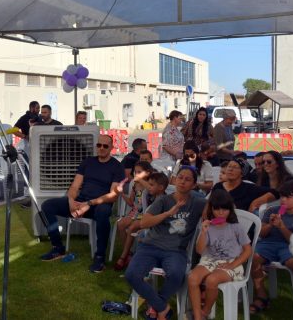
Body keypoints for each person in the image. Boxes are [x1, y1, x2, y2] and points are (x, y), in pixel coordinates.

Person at [125, 167, 207, 320]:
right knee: (131, 275)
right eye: (180, 177)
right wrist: (168, 213)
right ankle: (163, 308)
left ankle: (156, 306)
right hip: (150, 246)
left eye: (187, 179)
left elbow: (222, 208)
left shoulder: (198, 203)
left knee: (176, 274)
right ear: (175, 179)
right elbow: (144, 223)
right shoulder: (164, 200)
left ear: (194, 184)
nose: (182, 181)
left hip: (175, 250)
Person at [39, 134, 125, 273]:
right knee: (47, 206)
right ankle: (57, 248)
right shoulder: (88, 162)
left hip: (99, 204)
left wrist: (89, 203)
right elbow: (74, 186)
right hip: (80, 202)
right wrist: (71, 201)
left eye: (105, 146)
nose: (101, 148)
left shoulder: (117, 167)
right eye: (99, 145)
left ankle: (100, 257)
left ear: (111, 148)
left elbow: (113, 196)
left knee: (103, 212)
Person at [187, 190, 252, 320]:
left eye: (224, 209)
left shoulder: (236, 227)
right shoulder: (208, 226)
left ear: (230, 209)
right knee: (192, 278)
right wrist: (203, 232)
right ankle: (198, 317)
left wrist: (232, 265)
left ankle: (205, 312)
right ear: (211, 209)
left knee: (212, 280)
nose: (221, 212)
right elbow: (199, 250)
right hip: (209, 260)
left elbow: (247, 250)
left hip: (231, 262)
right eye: (217, 209)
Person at [249, 181, 293, 314]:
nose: (283, 200)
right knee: (254, 258)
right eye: (282, 196)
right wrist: (270, 225)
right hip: (268, 244)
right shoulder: (272, 211)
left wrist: (282, 227)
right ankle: (262, 295)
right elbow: (261, 234)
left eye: (288, 197)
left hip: (288, 247)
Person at [114, 168, 167, 271]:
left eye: (139, 172)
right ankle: (128, 254)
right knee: (122, 224)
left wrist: (140, 179)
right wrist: (121, 193)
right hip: (140, 216)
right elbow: (132, 202)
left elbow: (149, 190)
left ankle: (125, 257)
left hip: (151, 222)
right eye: (135, 172)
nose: (136, 174)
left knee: (133, 228)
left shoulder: (160, 198)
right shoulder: (148, 194)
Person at [210, 158, 275, 213]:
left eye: (235, 167)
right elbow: (209, 206)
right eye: (229, 166)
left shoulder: (249, 188)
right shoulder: (218, 186)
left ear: (242, 173)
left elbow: (274, 192)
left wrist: (255, 203)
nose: (230, 169)